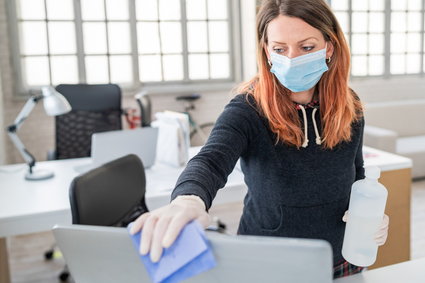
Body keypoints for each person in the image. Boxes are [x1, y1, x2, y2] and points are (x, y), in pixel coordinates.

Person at [130, 0, 389, 278]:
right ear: (267, 51)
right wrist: (187, 200)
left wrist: (370, 215)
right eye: (280, 49)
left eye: (306, 47)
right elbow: (211, 160)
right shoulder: (248, 109)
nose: (292, 58)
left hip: (339, 258)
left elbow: (358, 175)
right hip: (268, 261)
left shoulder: (348, 105)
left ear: (329, 46)